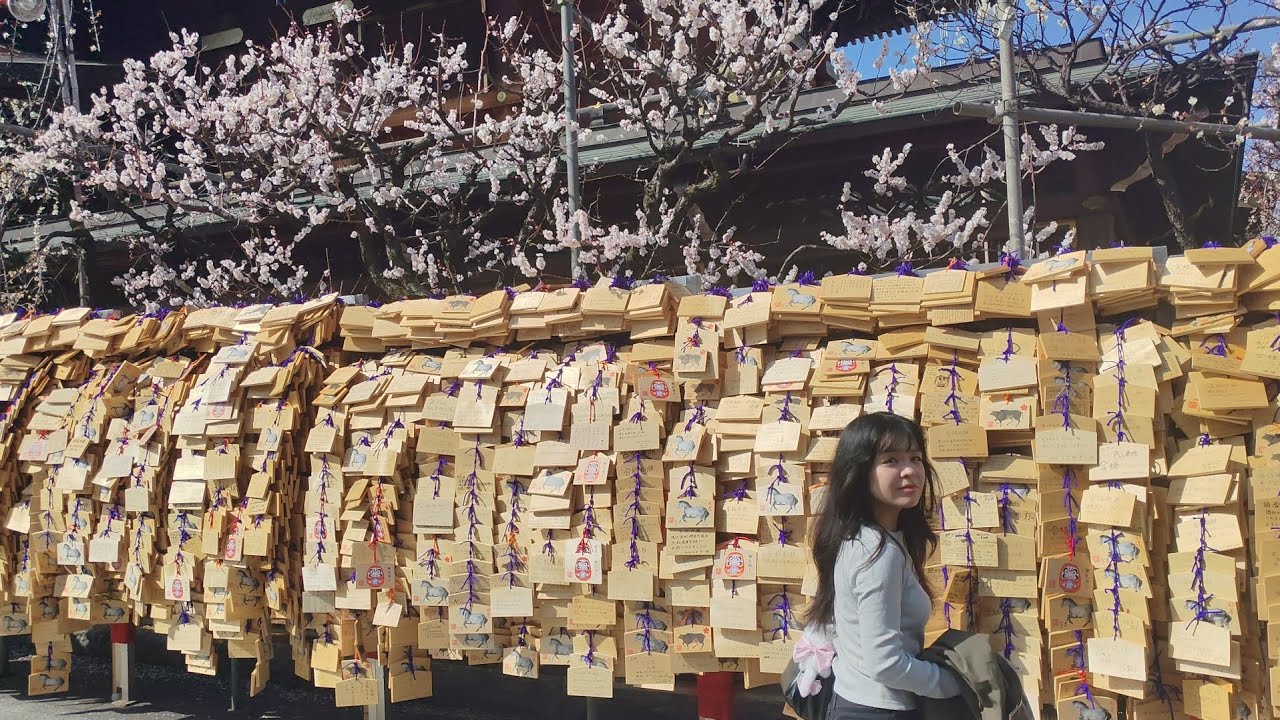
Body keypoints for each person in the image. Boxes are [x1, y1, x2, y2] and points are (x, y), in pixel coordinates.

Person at [806, 412, 962, 720]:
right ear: (860, 471)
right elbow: (885, 663)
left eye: (915, 458)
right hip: (878, 709)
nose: (910, 471)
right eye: (891, 460)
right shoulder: (878, 553)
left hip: (857, 701)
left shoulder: (862, 538)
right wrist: (955, 683)